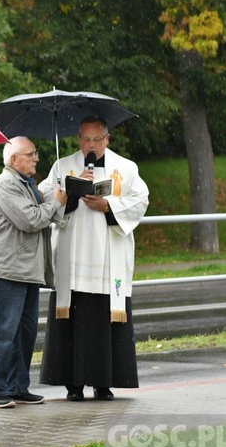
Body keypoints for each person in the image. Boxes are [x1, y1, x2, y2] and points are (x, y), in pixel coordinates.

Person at [38, 117, 149, 401]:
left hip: (107, 258)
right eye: (85, 139)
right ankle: (73, 385)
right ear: (78, 139)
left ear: (107, 139)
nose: (90, 145)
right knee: (72, 320)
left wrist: (108, 205)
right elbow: (44, 197)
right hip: (73, 257)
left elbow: (140, 200)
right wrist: (70, 196)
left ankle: (103, 383)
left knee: (104, 323)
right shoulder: (62, 166)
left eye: (96, 140)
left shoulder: (126, 168)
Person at [0, 137, 67, 408]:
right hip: (8, 270)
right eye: (30, 155)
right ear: (13, 160)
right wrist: (54, 203)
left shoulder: (25, 185)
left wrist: (56, 198)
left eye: (36, 153)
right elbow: (30, 220)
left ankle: (17, 386)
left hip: (25, 270)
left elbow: (42, 213)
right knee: (5, 331)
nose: (36, 159)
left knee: (25, 332)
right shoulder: (6, 184)